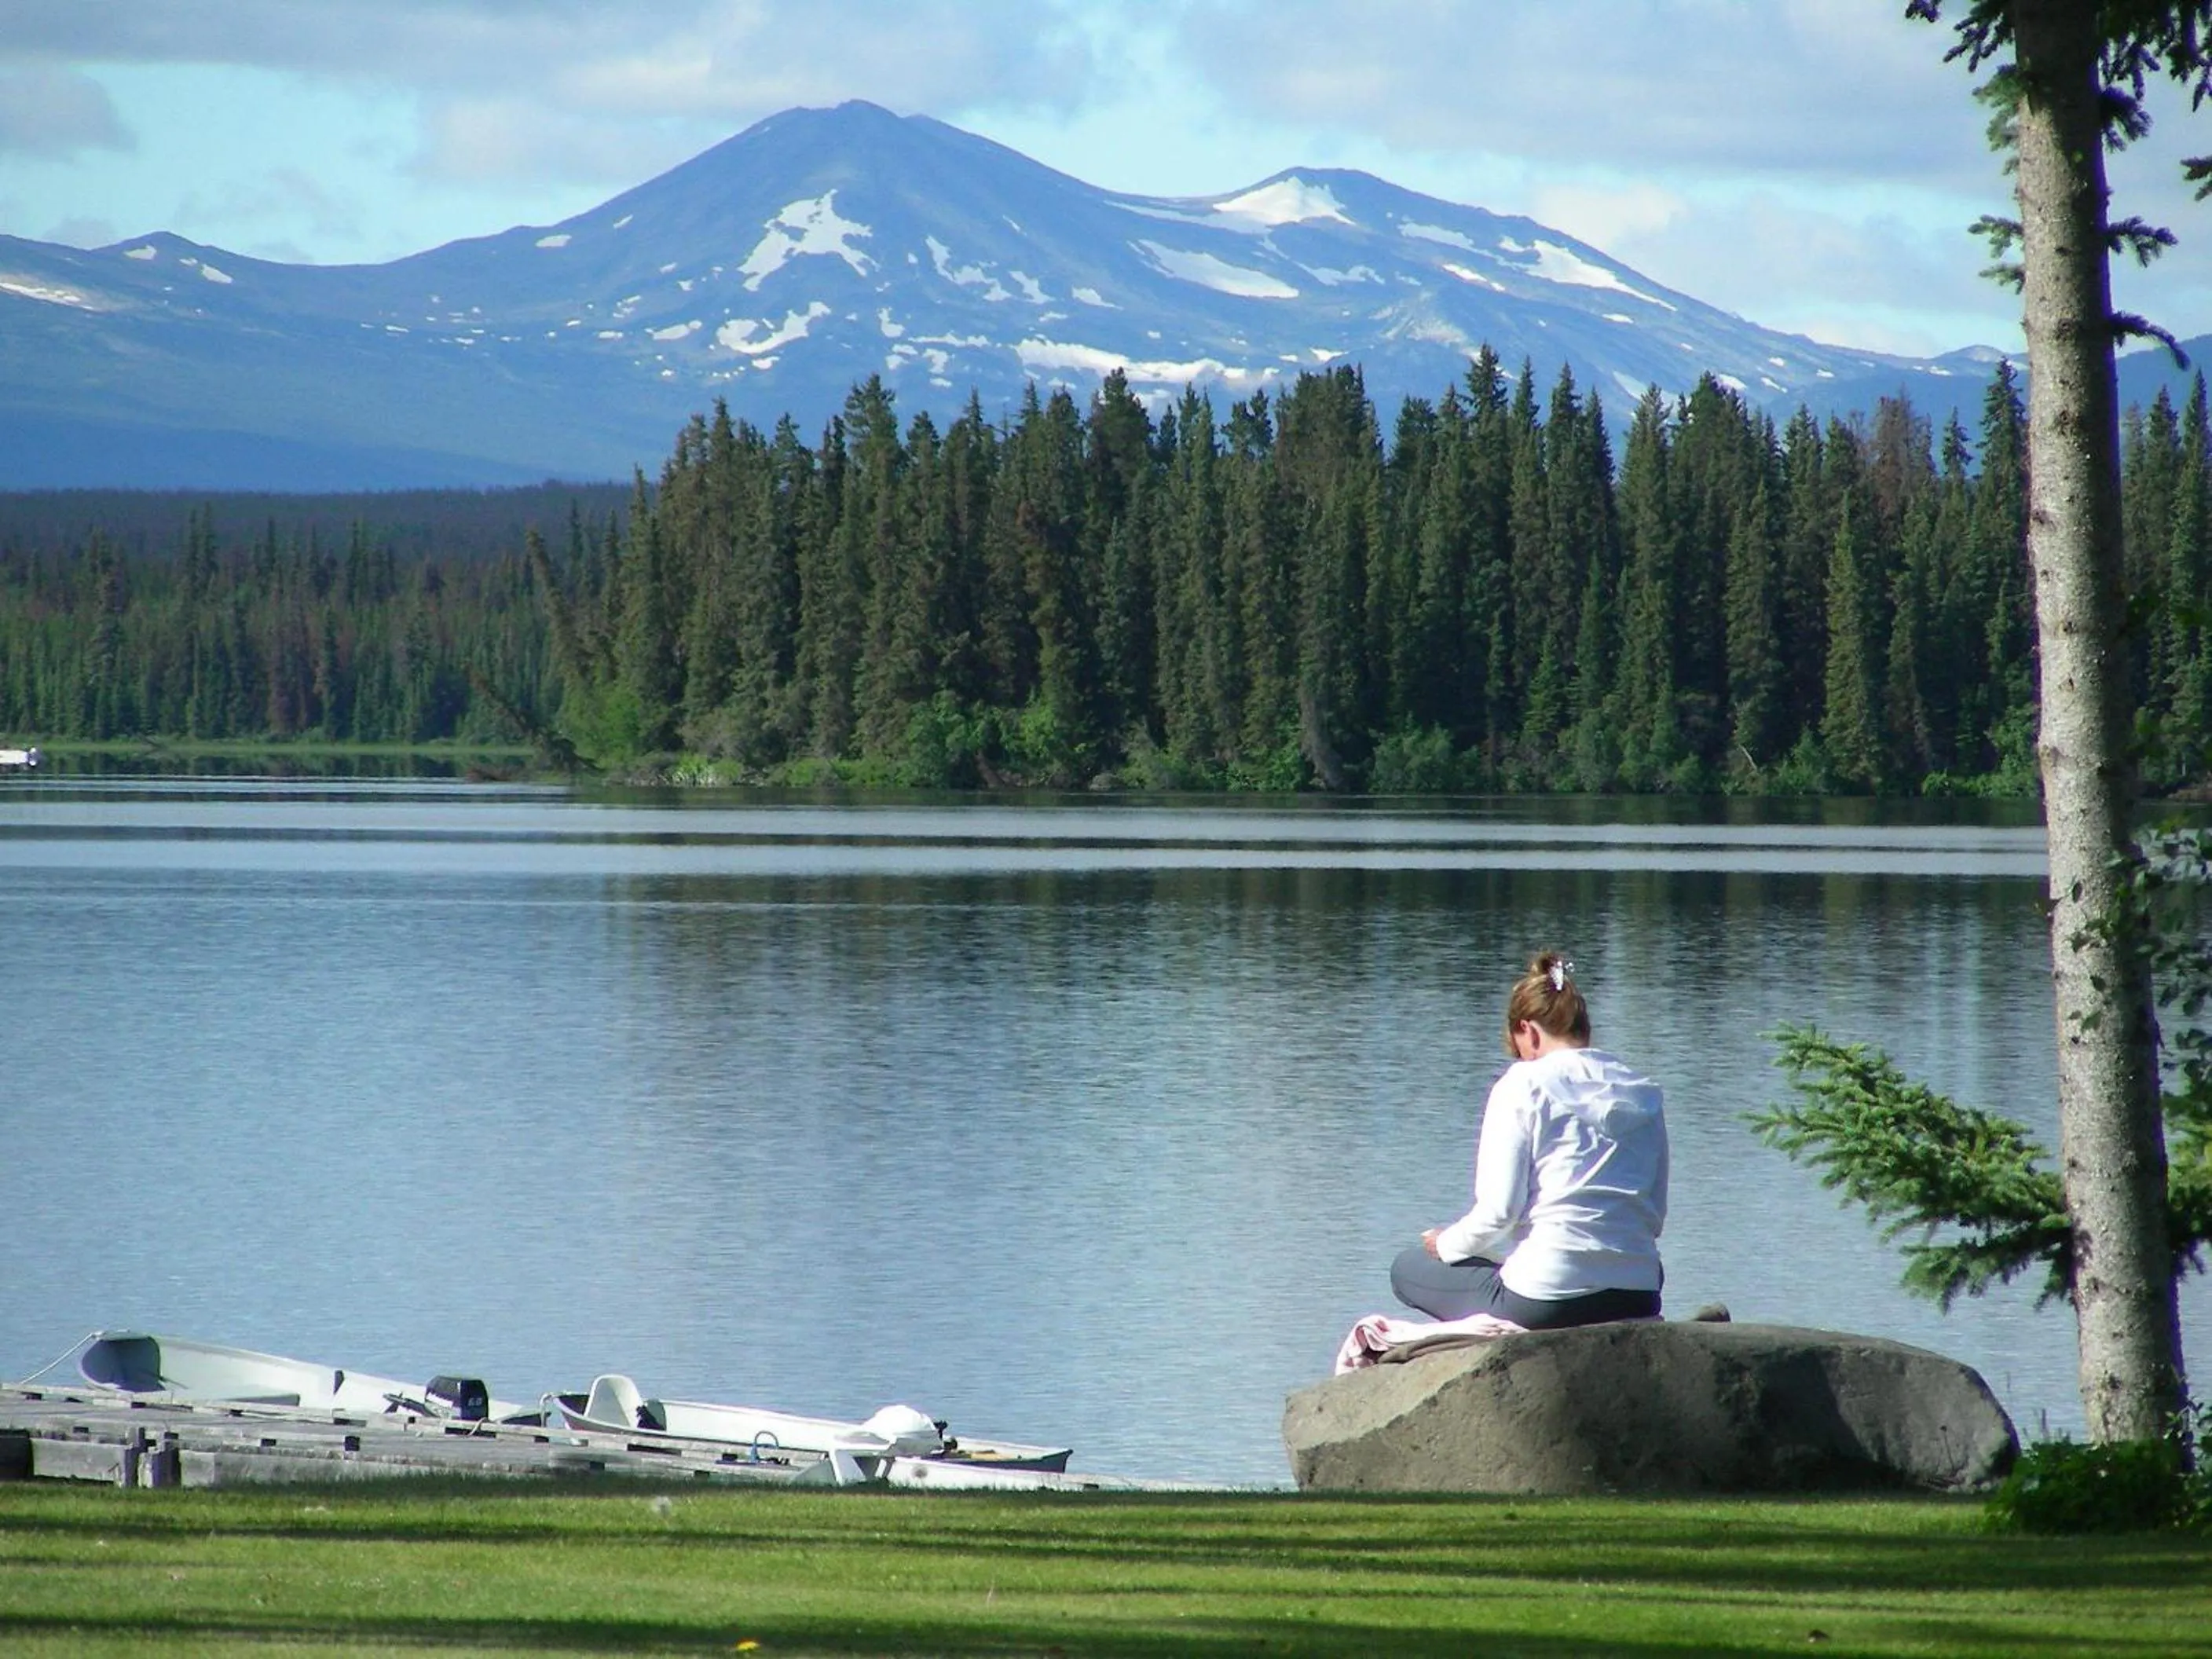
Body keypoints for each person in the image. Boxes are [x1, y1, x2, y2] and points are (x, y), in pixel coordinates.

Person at [1391, 950, 1667, 1328]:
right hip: (1638, 1295)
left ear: (1529, 1031)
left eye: (1517, 1046)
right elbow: (1654, 1216)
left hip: (1547, 1300)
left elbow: (1499, 1213)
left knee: (1408, 1268)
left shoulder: (1522, 1084)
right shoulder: (1644, 1092)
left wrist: (1444, 1245)